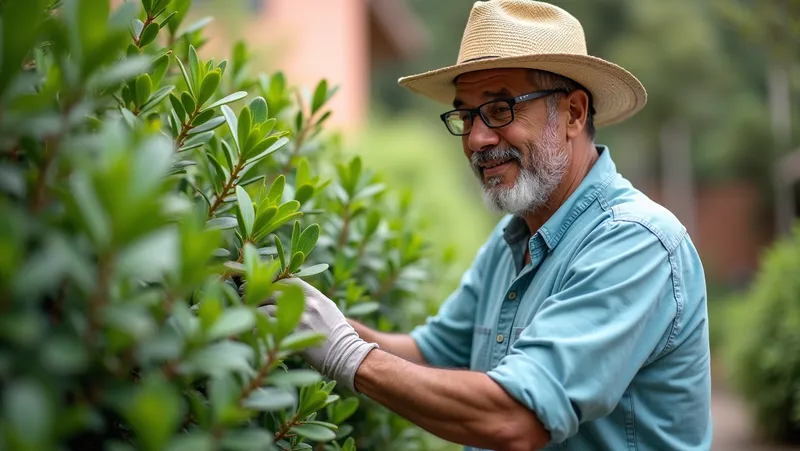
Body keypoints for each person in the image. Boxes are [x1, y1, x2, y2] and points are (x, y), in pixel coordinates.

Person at [269, 1, 713, 450]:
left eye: (500, 109)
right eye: (466, 116)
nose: (477, 139)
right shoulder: (512, 243)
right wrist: (309, 318)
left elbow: (516, 418)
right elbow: (430, 354)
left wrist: (345, 353)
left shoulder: (634, 242)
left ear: (575, 114)